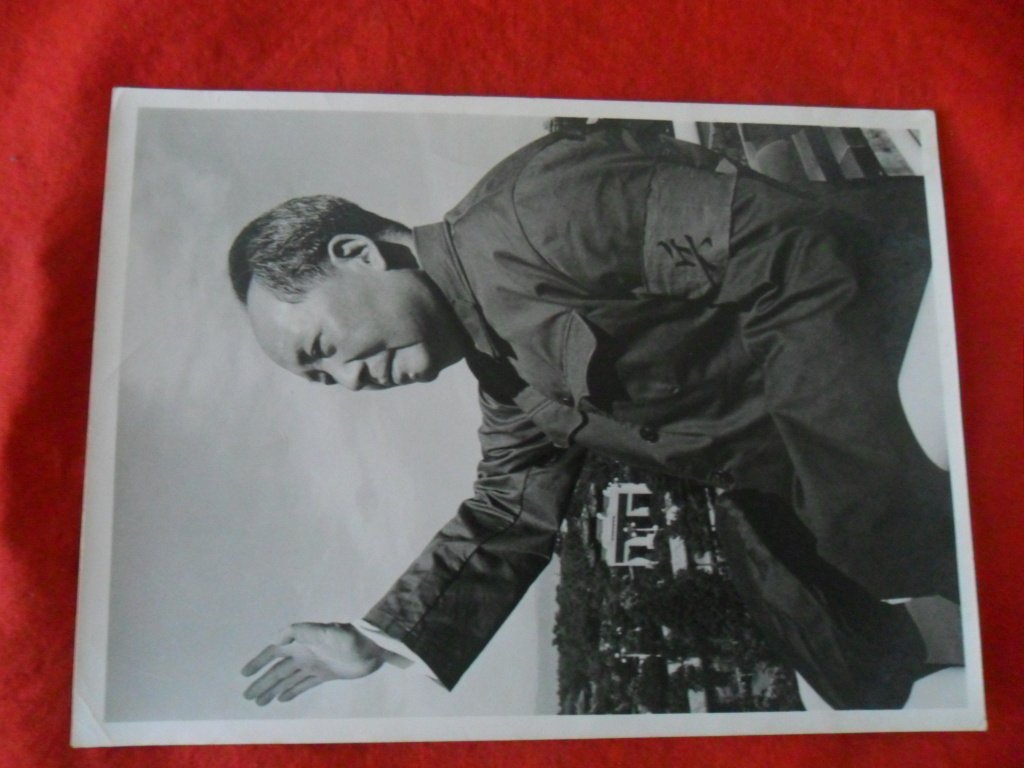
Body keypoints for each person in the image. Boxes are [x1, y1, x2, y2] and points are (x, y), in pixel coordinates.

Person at [231, 123, 961, 710]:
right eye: (321, 379)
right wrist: (378, 640)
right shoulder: (505, 380)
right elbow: (508, 511)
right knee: (814, 625)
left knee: (863, 529)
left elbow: (785, 246)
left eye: (322, 349)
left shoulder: (536, 213)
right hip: (807, 438)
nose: (346, 381)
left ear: (357, 254)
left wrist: (848, 480)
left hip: (910, 310)